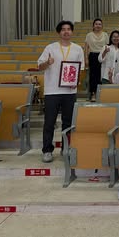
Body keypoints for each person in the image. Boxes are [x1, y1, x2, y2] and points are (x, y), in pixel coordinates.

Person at [37, 20, 85, 163]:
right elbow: (39, 66)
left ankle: (66, 148)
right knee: (49, 122)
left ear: (72, 32)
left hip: (69, 91)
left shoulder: (77, 49)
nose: (66, 31)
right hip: (52, 91)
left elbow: (81, 70)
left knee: (68, 122)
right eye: (63, 29)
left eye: (68, 29)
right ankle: (47, 150)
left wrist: (76, 82)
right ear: (59, 32)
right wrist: (47, 63)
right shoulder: (50, 48)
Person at [84, 18, 108, 102]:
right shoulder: (89, 35)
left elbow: (107, 46)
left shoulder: (105, 35)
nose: (98, 26)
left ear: (102, 26)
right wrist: (86, 58)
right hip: (93, 56)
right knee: (93, 76)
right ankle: (93, 93)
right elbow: (86, 48)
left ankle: (101, 94)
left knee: (102, 75)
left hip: (103, 55)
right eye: (96, 24)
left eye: (99, 24)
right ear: (93, 26)